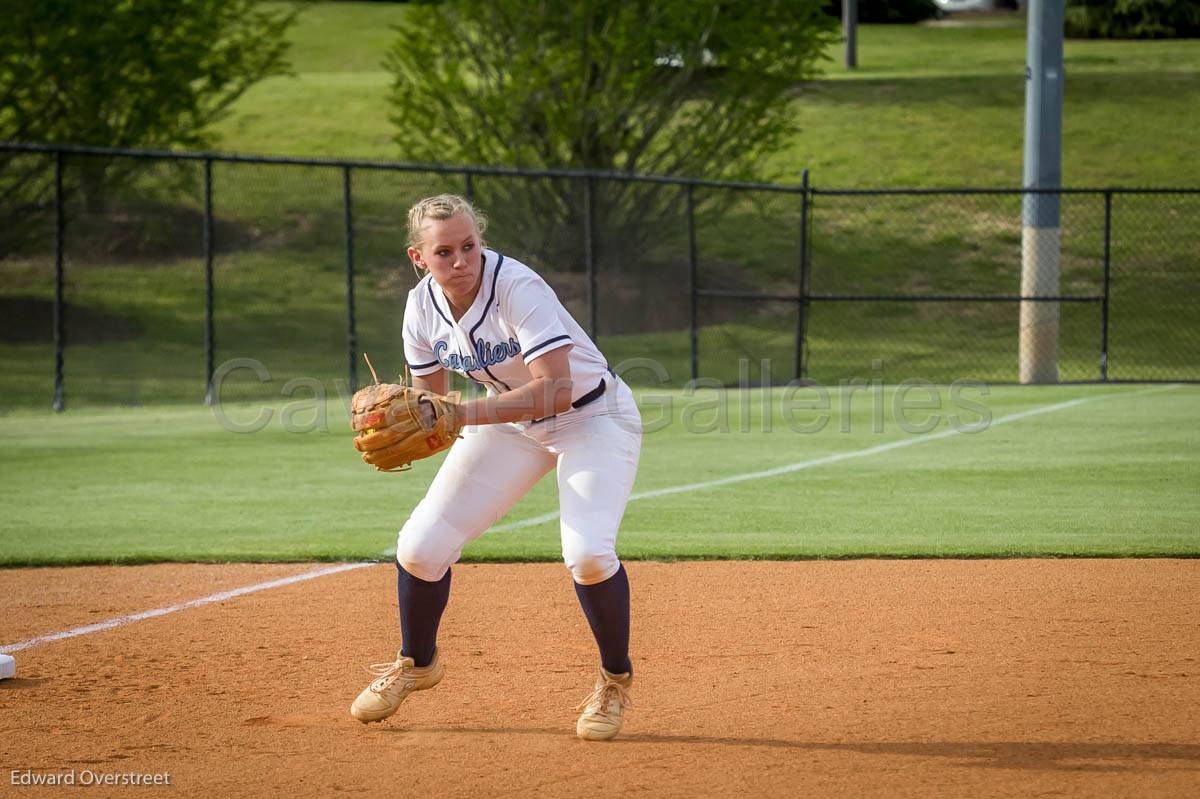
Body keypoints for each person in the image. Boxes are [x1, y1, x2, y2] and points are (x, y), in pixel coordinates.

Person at [349, 194, 643, 741]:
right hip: (508, 423)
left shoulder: (517, 286)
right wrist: (412, 429)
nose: (461, 260)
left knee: (588, 554)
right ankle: (417, 663)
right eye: (445, 252)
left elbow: (554, 389)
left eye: (469, 246)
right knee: (419, 546)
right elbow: (429, 407)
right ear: (419, 257)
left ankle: (614, 680)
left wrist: (459, 414)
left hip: (593, 417)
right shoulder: (420, 309)